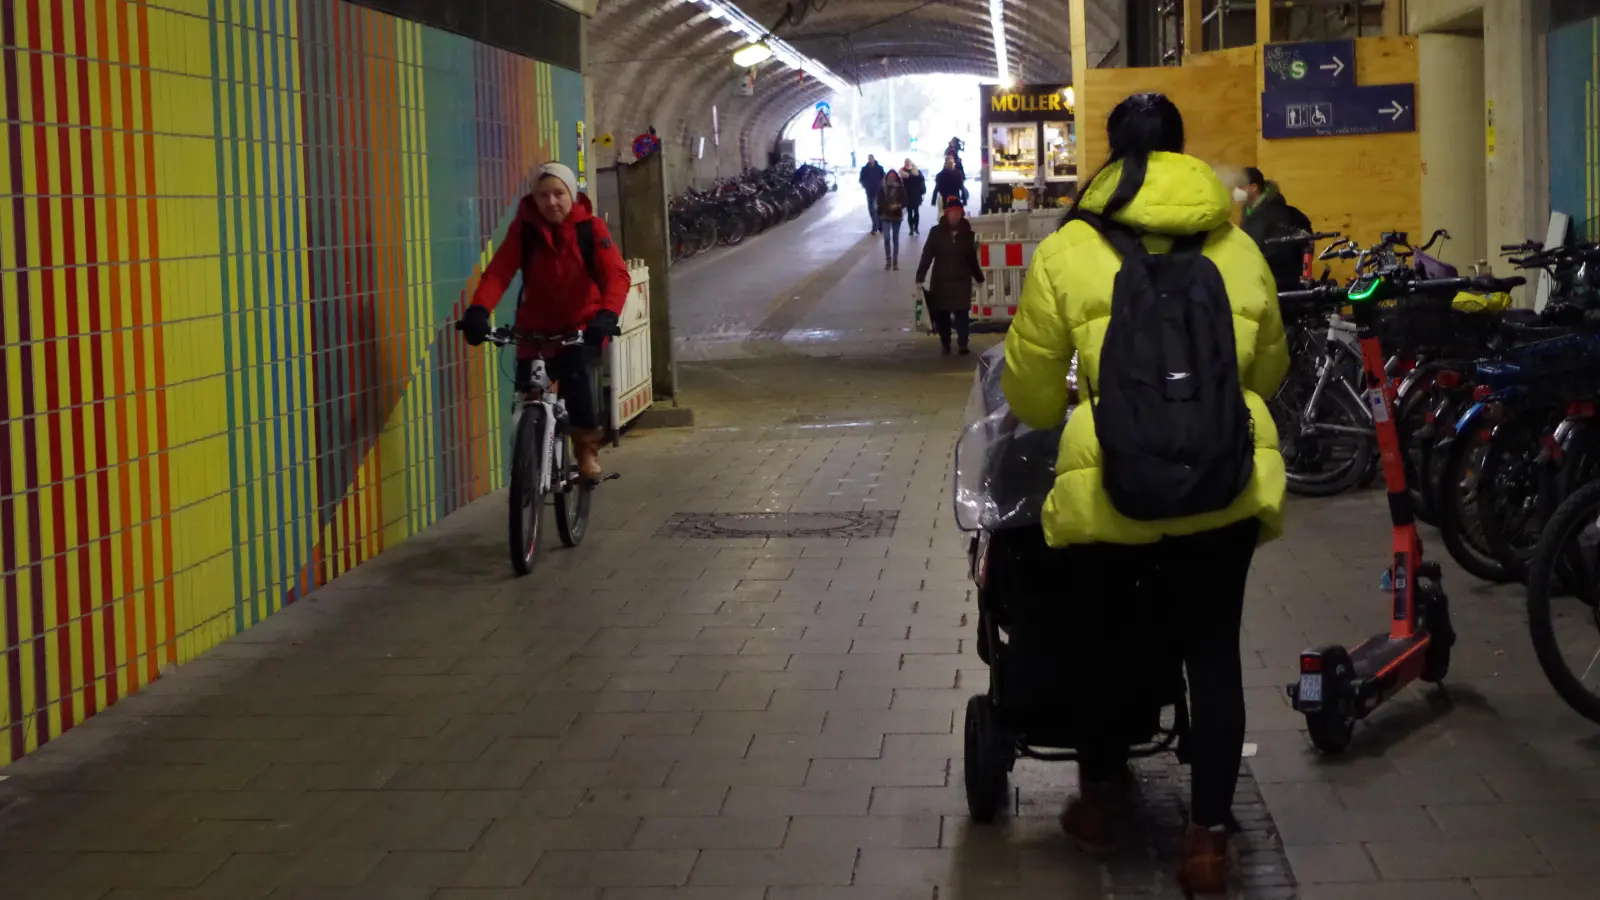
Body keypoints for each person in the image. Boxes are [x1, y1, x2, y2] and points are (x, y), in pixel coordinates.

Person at [1000, 94, 1289, 894]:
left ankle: (1102, 806)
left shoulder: (1070, 248)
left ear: (1111, 152)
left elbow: (1029, 393)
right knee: (1213, 653)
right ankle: (1206, 845)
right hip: (1222, 482)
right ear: (1181, 150)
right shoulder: (1238, 246)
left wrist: (1076, 402)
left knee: (1099, 646)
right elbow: (1269, 371)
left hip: (1112, 486)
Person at [457, 162, 629, 481]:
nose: (551, 202)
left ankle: (586, 449)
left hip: (580, 326)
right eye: (542, 195)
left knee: (576, 381)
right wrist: (479, 310)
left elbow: (616, 275)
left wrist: (607, 315)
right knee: (527, 390)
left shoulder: (590, 229)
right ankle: (529, 454)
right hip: (534, 329)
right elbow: (498, 273)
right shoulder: (524, 230)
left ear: (571, 194)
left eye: (558, 194)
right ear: (533, 198)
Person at [915, 197, 985, 356]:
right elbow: (927, 255)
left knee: (962, 314)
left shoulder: (968, 235)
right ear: (947, 214)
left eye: (959, 213)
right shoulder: (936, 233)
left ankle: (963, 344)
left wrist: (979, 278)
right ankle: (945, 343)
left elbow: (972, 259)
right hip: (941, 282)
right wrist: (920, 277)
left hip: (961, 281)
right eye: (953, 213)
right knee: (942, 316)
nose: (956, 216)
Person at [1237, 167, 1313, 291]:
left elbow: (1280, 253)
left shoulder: (1276, 213)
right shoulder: (1249, 212)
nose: (1236, 191)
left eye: (1240, 186)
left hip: (1276, 284)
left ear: (1254, 187)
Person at [878, 170, 907, 269]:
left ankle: (895, 261)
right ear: (887, 177)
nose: (891, 177)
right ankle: (888, 260)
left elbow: (904, 200)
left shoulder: (900, 187)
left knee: (895, 238)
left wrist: (898, 205)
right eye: (890, 176)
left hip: (896, 215)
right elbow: (879, 201)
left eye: (893, 176)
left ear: (896, 177)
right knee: (886, 237)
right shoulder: (883, 188)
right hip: (885, 215)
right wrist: (888, 207)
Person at [859, 155, 886, 234]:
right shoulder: (864, 169)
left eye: (871, 159)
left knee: (876, 209)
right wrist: (865, 185)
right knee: (871, 210)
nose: (870, 160)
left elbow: (884, 177)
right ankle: (878, 226)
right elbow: (861, 179)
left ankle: (876, 227)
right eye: (869, 159)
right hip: (869, 192)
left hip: (878, 192)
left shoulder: (879, 168)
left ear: (874, 159)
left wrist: (881, 185)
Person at [901, 159, 926, 236]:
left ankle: (916, 228)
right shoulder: (902, 172)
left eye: (909, 162)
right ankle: (911, 229)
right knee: (909, 213)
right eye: (906, 162)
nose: (907, 164)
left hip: (916, 195)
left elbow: (922, 179)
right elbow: (903, 182)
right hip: (908, 195)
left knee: (916, 212)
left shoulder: (917, 171)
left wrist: (913, 175)